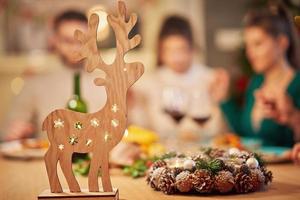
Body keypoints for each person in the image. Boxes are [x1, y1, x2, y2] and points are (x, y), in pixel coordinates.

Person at [2, 10, 107, 140]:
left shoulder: (105, 82)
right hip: (47, 157)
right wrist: (14, 132)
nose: (75, 48)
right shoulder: (35, 82)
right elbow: (9, 129)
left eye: (81, 41)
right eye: (68, 41)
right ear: (54, 40)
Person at [211, 3, 300, 147]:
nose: (249, 53)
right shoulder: (256, 83)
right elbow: (245, 134)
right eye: (248, 45)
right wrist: (224, 98)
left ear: (282, 43)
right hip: (260, 168)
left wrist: (293, 118)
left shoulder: (297, 84)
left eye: (257, 44)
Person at [132, 16, 226, 146]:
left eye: (181, 49)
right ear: (161, 52)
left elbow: (221, 131)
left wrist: (221, 101)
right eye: (169, 50)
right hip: (164, 153)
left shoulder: (210, 78)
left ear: (192, 49)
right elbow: (140, 130)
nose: (177, 58)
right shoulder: (148, 83)